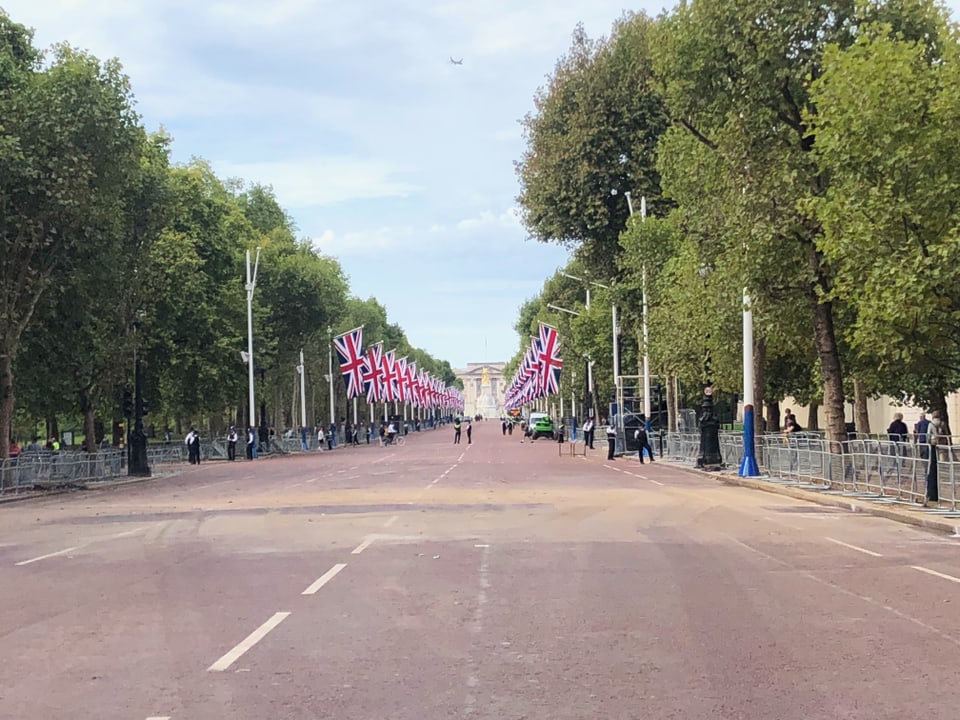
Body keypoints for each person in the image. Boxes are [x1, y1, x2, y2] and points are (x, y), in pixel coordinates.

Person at [925, 413, 943, 505]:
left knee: (931, 467)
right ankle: (936, 494)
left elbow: (928, 434)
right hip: (938, 443)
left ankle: (931, 494)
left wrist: (927, 442)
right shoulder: (941, 423)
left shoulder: (931, 424)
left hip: (932, 444)